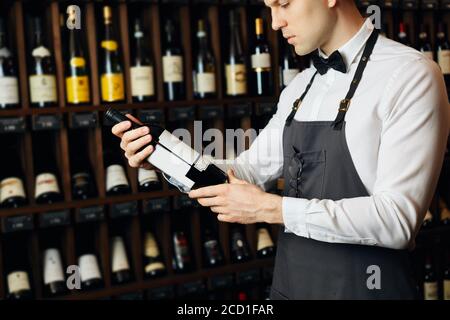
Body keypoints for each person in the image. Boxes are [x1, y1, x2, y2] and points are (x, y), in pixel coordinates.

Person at [111, 0, 449, 299]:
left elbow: (396, 221)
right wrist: (162, 155)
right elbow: (245, 173)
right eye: (270, 8)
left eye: (283, 4)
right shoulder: (300, 87)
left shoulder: (409, 75)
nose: (275, 23)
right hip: (291, 286)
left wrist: (273, 210)